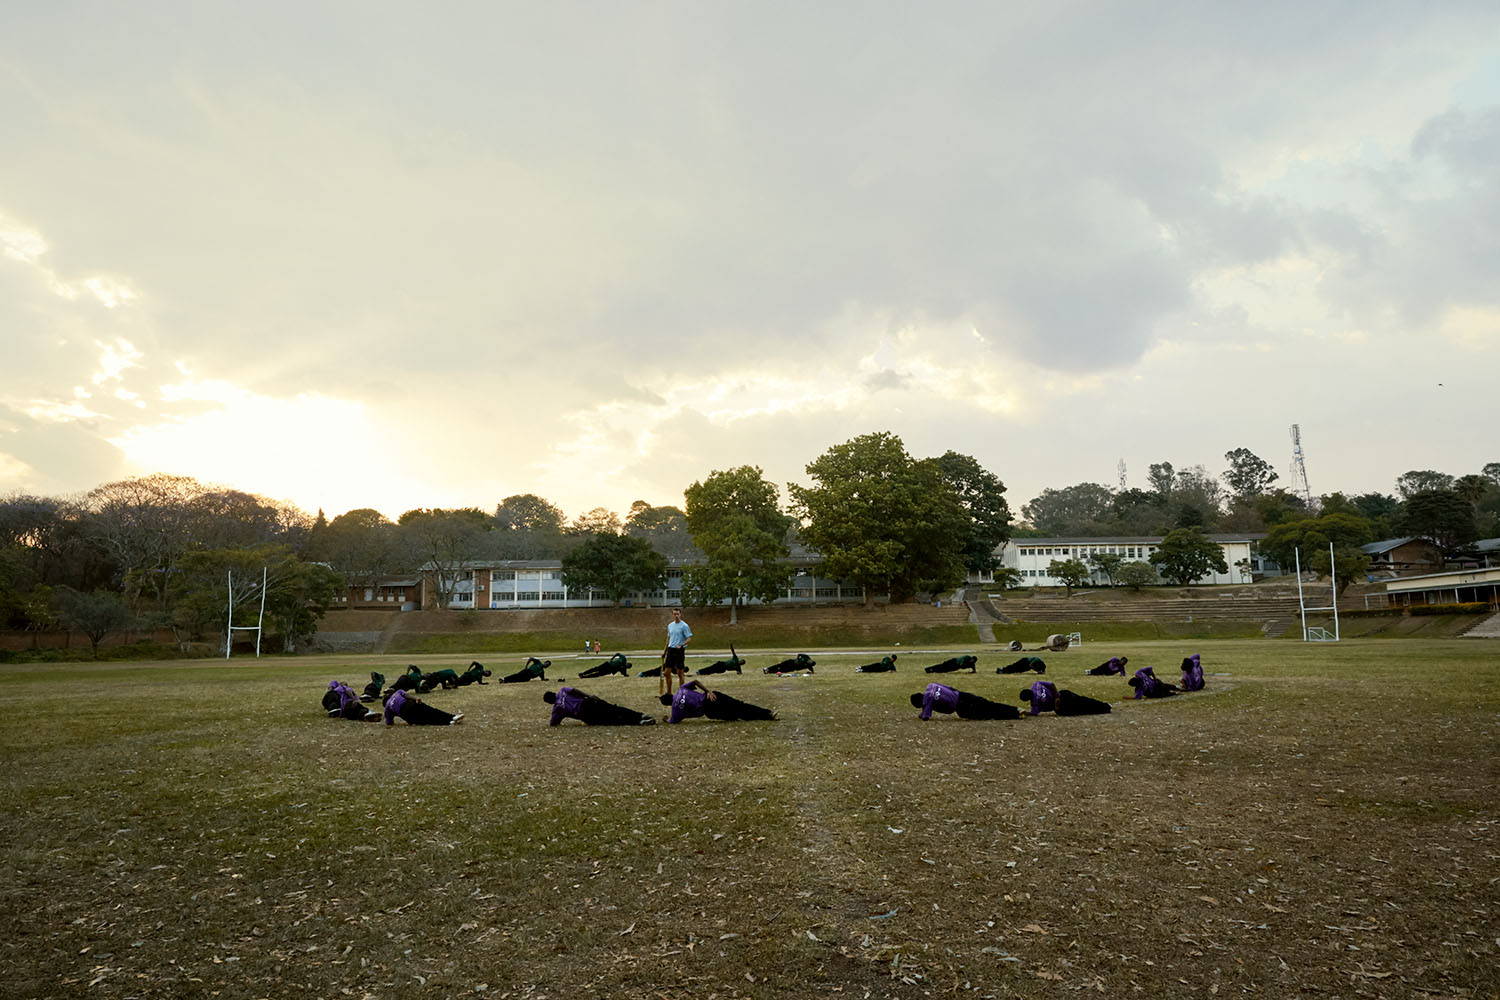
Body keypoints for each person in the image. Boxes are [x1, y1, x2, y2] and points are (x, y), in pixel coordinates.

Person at [660, 680, 776, 724]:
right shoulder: (682, 689)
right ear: (670, 694)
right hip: (712, 696)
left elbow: (672, 721)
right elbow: (695, 681)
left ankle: (765, 717)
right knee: (740, 705)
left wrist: (665, 719)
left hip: (709, 710)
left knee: (737, 715)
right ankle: (768, 714)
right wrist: (708, 691)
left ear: (668, 704)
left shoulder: (675, 709)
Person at [545, 686, 656, 726]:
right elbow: (575, 690)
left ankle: (638, 722)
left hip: (585, 715)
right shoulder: (563, 690)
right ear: (554, 692)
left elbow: (553, 723)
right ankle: (640, 715)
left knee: (611, 720)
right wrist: (589, 696)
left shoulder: (557, 709)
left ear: (550, 703)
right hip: (588, 702)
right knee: (614, 709)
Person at [911, 683, 1019, 721]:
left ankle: (1014, 715)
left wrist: (923, 711)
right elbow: (950, 688)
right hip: (963, 695)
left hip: (962, 707)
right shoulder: (931, 685)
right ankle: (1015, 710)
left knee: (987, 713)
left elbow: (925, 717)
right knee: (989, 704)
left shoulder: (927, 700)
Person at [382, 688, 463, 726]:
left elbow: (389, 722)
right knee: (432, 711)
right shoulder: (397, 692)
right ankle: (452, 717)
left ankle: (448, 722)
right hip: (412, 704)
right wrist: (416, 699)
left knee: (426, 720)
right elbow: (407, 695)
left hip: (407, 715)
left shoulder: (387, 707)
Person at [661, 608, 692, 696]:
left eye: (678, 614)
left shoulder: (684, 626)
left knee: (680, 673)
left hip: (679, 650)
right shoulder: (670, 625)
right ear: (672, 615)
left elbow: (689, 638)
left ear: (680, 614)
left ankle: (681, 693)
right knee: (667, 672)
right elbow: (668, 639)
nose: (676, 616)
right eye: (674, 614)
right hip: (671, 650)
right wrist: (664, 651)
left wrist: (681, 645)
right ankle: (669, 692)